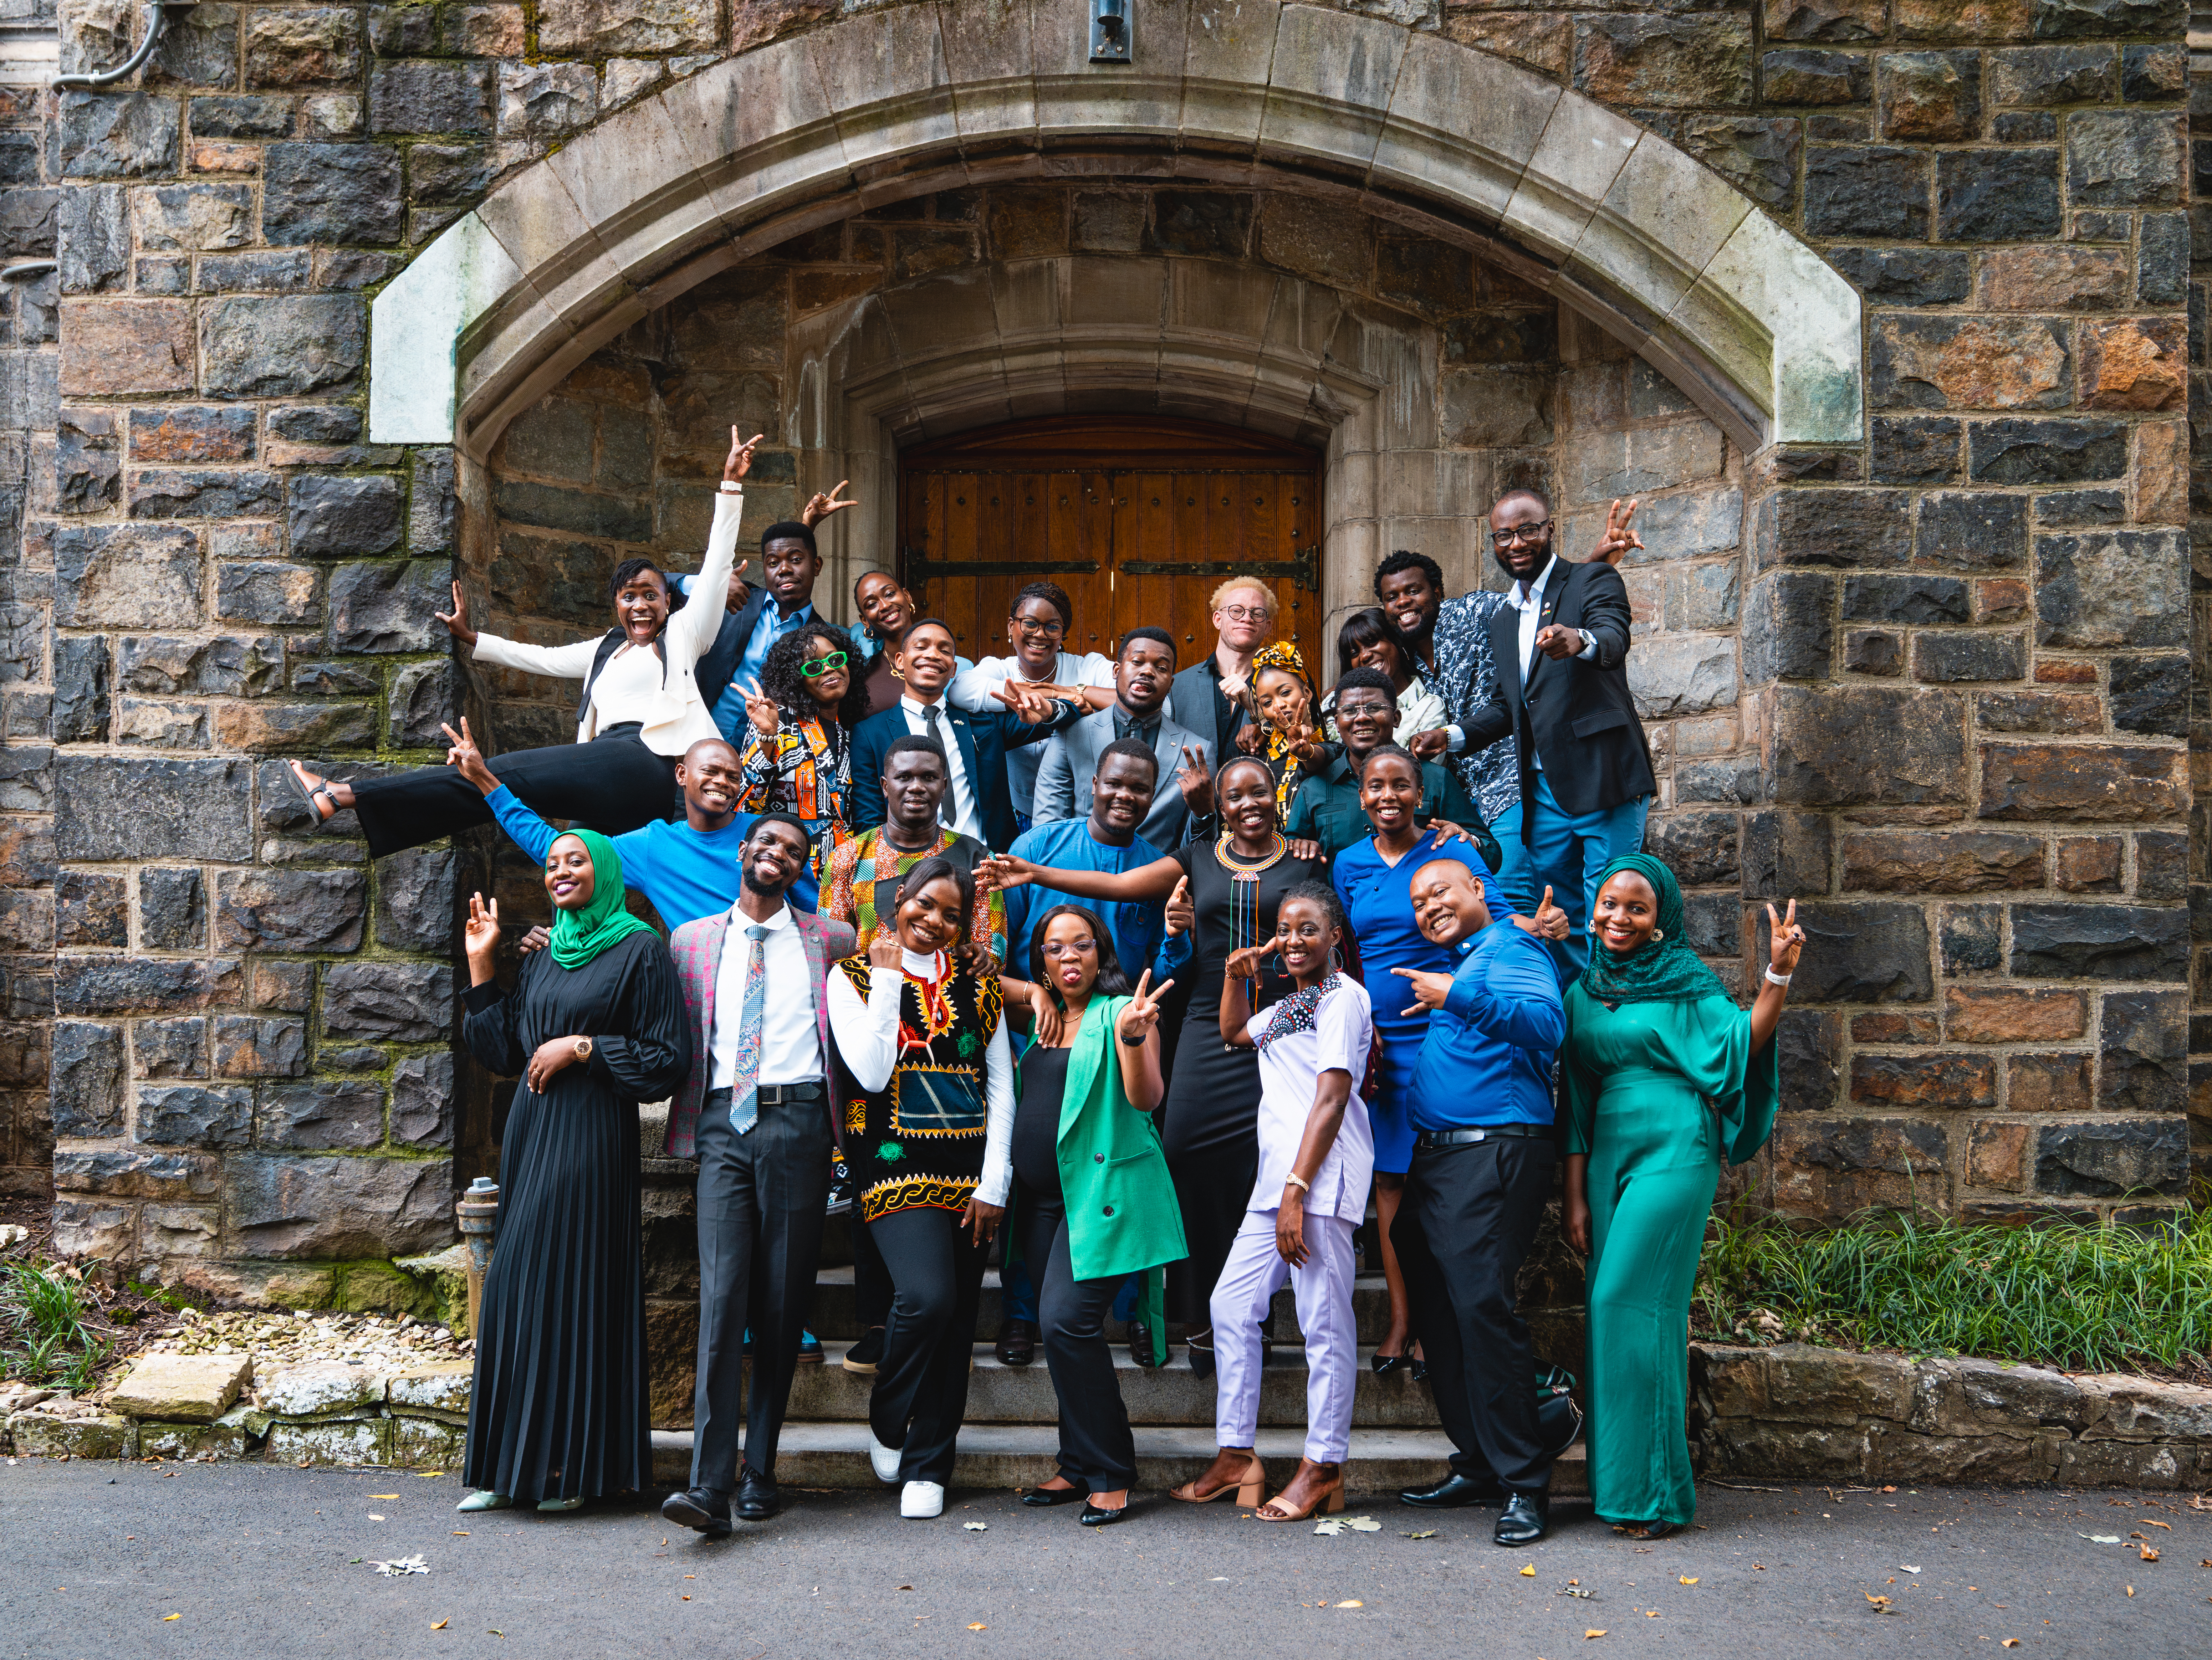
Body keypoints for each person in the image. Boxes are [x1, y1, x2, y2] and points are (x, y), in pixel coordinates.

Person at [979, 754, 1327, 1376]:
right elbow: (1114, 887)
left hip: (1282, 1031)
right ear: (1215, 807)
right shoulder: (1196, 859)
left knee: (1266, 1162)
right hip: (1203, 1026)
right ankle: (1199, 1316)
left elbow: (1332, 939)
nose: (1247, 804)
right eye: (1233, 795)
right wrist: (1034, 871)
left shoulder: (1307, 858)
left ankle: (1256, 1314)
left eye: (1259, 793)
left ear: (1278, 796)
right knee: (1187, 1155)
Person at [286, 429, 763, 856]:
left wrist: (730, 484)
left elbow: (717, 559)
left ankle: (342, 794)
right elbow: (539, 658)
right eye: (629, 596)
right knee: (573, 862)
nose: (640, 606)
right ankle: (574, 951)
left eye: (651, 596)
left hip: (641, 763)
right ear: (617, 605)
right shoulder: (606, 650)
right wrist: (473, 639)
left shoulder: (684, 635)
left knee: (504, 774)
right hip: (607, 771)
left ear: (668, 602)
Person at [1562, 858, 1799, 1538]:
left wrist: (1776, 975)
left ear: (1659, 918)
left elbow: (1741, 1041)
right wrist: (1573, 1195)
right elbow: (1574, 1103)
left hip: (1674, 1146)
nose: (1617, 917)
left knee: (1629, 1303)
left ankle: (1656, 1496)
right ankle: (1623, 1486)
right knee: (1611, 1316)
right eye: (1609, 902)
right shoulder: (1583, 989)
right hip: (1606, 1155)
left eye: (1635, 908)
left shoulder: (1685, 981)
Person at [454, 833, 690, 1513]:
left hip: (589, 1133)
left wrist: (584, 1047)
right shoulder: (544, 952)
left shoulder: (640, 948)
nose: (561, 871)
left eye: (577, 860)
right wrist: (480, 968)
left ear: (605, 872)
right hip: (531, 1133)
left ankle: (572, 1472)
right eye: (553, 863)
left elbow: (665, 1057)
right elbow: (504, 1051)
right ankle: (509, 1470)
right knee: (516, 1294)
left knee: (567, 1288)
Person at [659, 814, 857, 1535]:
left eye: (793, 852)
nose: (777, 856)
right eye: (766, 844)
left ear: (801, 868)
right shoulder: (690, 942)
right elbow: (669, 1028)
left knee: (779, 1303)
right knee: (721, 1302)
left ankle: (759, 1471)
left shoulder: (831, 941)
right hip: (721, 1123)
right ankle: (707, 1487)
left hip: (800, 1123)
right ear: (744, 852)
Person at [1171, 882, 1374, 1522]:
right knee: (1230, 1306)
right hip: (1274, 1187)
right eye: (1284, 929)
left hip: (1316, 1181)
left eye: (1307, 929)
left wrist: (1297, 1190)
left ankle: (1323, 1466)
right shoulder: (1292, 1004)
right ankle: (1237, 1455)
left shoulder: (1343, 999)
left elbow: (1333, 1096)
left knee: (1324, 1324)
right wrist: (1237, 976)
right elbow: (1234, 1030)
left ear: (1334, 936)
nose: (1292, 940)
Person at [992, 738, 1194, 1369]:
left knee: (1117, 1174)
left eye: (1139, 788)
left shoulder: (1156, 865)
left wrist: (1175, 942)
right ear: (1092, 781)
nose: (1124, 796)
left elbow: (1157, 975)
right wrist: (1030, 994)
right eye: (1114, 783)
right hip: (1040, 1036)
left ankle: (1132, 1309)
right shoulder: (1037, 850)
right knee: (1040, 1184)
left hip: (1119, 1042)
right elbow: (995, 954)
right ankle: (1023, 1315)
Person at [828, 858, 1014, 1520]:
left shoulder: (979, 985)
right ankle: (888, 1414)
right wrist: (884, 975)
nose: (932, 921)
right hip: (893, 1164)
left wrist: (997, 1180)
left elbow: (1000, 1085)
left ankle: (930, 1464)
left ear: (965, 926)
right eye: (924, 905)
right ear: (899, 898)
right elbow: (874, 1074)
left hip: (970, 1172)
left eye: (950, 915)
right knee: (926, 1297)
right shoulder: (849, 977)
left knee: (958, 1321)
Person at [1389, 857, 1566, 1547]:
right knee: (1444, 1317)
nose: (1426, 905)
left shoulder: (1509, 946)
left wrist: (1456, 996)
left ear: (1477, 891)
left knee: (1480, 1313)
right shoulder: (1471, 958)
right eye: (1416, 900)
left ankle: (1525, 1481)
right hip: (1439, 1159)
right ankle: (1479, 1463)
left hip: (1491, 1153)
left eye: (1438, 890)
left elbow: (1546, 1026)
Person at [1327, 745, 1515, 1378]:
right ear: (1360, 797)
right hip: (1376, 1043)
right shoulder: (1347, 864)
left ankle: (1440, 1322)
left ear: (1421, 793)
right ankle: (1402, 1319)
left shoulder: (1451, 851)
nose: (1388, 796)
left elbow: (1494, 919)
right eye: (1375, 785)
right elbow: (1343, 946)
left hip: (1441, 1033)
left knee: (1436, 1183)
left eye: (1401, 785)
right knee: (1387, 1185)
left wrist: (1535, 931)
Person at [1410, 495, 1649, 968]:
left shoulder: (1591, 579)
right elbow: (1507, 706)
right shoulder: (1503, 616)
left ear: (1549, 529)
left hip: (1601, 776)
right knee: (1560, 917)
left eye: (1528, 531)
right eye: (1504, 536)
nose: (1516, 543)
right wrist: (1452, 736)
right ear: (1494, 543)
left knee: (1610, 911)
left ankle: (1612, 1022)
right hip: (1540, 794)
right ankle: (1570, 1028)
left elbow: (1612, 637)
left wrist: (1579, 640)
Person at [1009, 908, 1184, 1525]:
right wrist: (1030, 990)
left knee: (1064, 1322)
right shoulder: (1044, 1017)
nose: (1068, 957)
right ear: (1043, 961)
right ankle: (1078, 1461)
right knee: (1061, 1336)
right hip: (1040, 1204)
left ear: (1099, 951)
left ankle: (1111, 1470)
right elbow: (979, 981)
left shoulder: (1118, 1013)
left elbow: (1146, 1099)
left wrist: (1134, 1037)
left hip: (1100, 1195)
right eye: (1053, 949)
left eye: (1080, 944)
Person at [1385, 500, 1640, 829]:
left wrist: (1590, 570)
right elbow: (1504, 704)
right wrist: (1446, 737)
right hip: (1467, 797)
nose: (1404, 602)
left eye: (1414, 591)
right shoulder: (1403, 660)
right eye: (1392, 597)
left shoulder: (1473, 612)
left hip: (1517, 783)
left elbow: (1548, 607)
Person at [443, 720, 753, 930]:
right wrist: (484, 779)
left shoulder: (761, 832)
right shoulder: (654, 846)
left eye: (733, 777)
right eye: (711, 771)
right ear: (682, 775)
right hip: (707, 988)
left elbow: (804, 903)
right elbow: (555, 850)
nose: (722, 783)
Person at [847, 618, 1076, 852]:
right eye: (921, 647)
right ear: (900, 661)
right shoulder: (869, 733)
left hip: (987, 867)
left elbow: (1064, 717)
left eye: (944, 650)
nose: (933, 655)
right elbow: (869, 819)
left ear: (954, 669)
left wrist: (1053, 706)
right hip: (911, 872)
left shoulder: (983, 723)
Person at [682, 483, 859, 733]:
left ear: (817, 566)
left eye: (796, 561)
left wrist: (807, 528)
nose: (784, 569)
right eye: (773, 563)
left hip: (767, 754)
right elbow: (663, 584)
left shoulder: (824, 638)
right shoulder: (736, 602)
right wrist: (713, 585)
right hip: (698, 739)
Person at [819, 735, 1006, 965]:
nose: (917, 787)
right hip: (865, 993)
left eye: (929, 778)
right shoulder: (848, 857)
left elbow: (993, 953)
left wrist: (980, 956)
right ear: (886, 787)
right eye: (904, 777)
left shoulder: (976, 858)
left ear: (944, 787)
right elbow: (830, 947)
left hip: (948, 994)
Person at [949, 581, 1118, 833]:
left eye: (1052, 627)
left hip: (1085, 815)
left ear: (1062, 634)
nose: (1040, 635)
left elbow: (1132, 701)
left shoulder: (1088, 668)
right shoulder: (999, 669)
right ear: (1011, 626)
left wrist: (1065, 691)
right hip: (1019, 813)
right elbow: (960, 690)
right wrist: (1051, 701)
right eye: (1030, 623)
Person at [1032, 627, 1214, 851]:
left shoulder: (1198, 752)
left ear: (1170, 685)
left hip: (1156, 880)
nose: (1148, 672)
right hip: (1076, 873)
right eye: (1138, 662)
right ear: (1117, 670)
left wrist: (1204, 814)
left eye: (1161, 668)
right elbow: (1047, 825)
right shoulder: (1072, 734)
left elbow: (1198, 848)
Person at [734, 622, 870, 910]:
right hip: (789, 878)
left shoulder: (850, 728)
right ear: (798, 679)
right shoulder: (776, 719)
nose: (828, 670)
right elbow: (747, 803)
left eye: (835, 660)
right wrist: (768, 737)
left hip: (842, 879)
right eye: (812, 668)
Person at [1285, 670, 1485, 861]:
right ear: (1337, 723)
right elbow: (1290, 848)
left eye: (1374, 708)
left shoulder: (1435, 779)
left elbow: (1491, 852)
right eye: (1350, 711)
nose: (1362, 718)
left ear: (1396, 718)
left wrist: (1468, 841)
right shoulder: (1314, 787)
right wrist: (1300, 847)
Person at [1166, 578, 1273, 761]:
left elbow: (1295, 736)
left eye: (1258, 613)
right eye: (1236, 611)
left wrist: (1263, 721)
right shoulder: (1177, 686)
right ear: (1218, 619)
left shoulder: (1282, 685)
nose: (1247, 618)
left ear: (1267, 627)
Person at [1321, 607, 1444, 745]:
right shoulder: (1332, 704)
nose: (1365, 656)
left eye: (1372, 642)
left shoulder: (1429, 708)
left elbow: (1418, 765)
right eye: (1354, 653)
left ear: (1397, 642)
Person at [1242, 641, 1327, 819]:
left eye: (1286, 692)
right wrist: (1257, 722)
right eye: (1267, 703)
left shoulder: (1335, 745)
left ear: (1307, 692)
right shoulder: (1256, 757)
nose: (1279, 706)